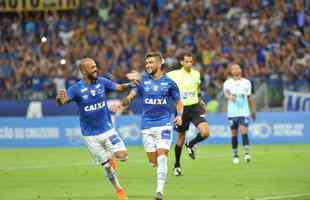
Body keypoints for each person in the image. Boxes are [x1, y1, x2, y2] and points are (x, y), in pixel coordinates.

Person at [56, 58, 134, 200]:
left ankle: (110, 158)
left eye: (95, 66)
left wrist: (131, 84)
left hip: (107, 130)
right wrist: (59, 99)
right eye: (92, 67)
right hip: (90, 136)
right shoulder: (76, 89)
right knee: (107, 168)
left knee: (123, 156)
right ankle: (119, 190)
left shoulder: (102, 82)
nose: (95, 69)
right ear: (84, 71)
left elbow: (119, 88)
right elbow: (63, 101)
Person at [122, 52, 183, 200]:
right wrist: (125, 101)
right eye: (146, 63)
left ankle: (159, 191)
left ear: (159, 63)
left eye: (150, 62)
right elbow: (131, 95)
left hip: (164, 124)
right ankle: (162, 174)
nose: (147, 65)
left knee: (162, 158)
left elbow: (178, 101)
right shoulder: (142, 81)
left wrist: (179, 115)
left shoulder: (169, 83)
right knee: (153, 161)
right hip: (147, 125)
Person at [166, 52, 210, 176]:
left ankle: (190, 144)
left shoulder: (196, 74)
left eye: (191, 61)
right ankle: (177, 165)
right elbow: (160, 79)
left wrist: (201, 100)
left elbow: (197, 89)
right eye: (187, 61)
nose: (189, 63)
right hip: (182, 108)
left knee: (205, 133)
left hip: (195, 107)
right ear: (181, 62)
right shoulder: (173, 74)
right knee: (180, 137)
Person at [223, 64, 256, 164]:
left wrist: (253, 110)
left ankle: (247, 154)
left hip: (244, 112)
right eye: (234, 68)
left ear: (241, 70)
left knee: (243, 131)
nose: (236, 69)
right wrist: (229, 97)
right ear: (231, 72)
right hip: (232, 113)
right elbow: (226, 94)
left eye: (238, 67)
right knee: (234, 134)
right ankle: (235, 155)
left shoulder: (246, 82)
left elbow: (249, 97)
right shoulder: (228, 83)